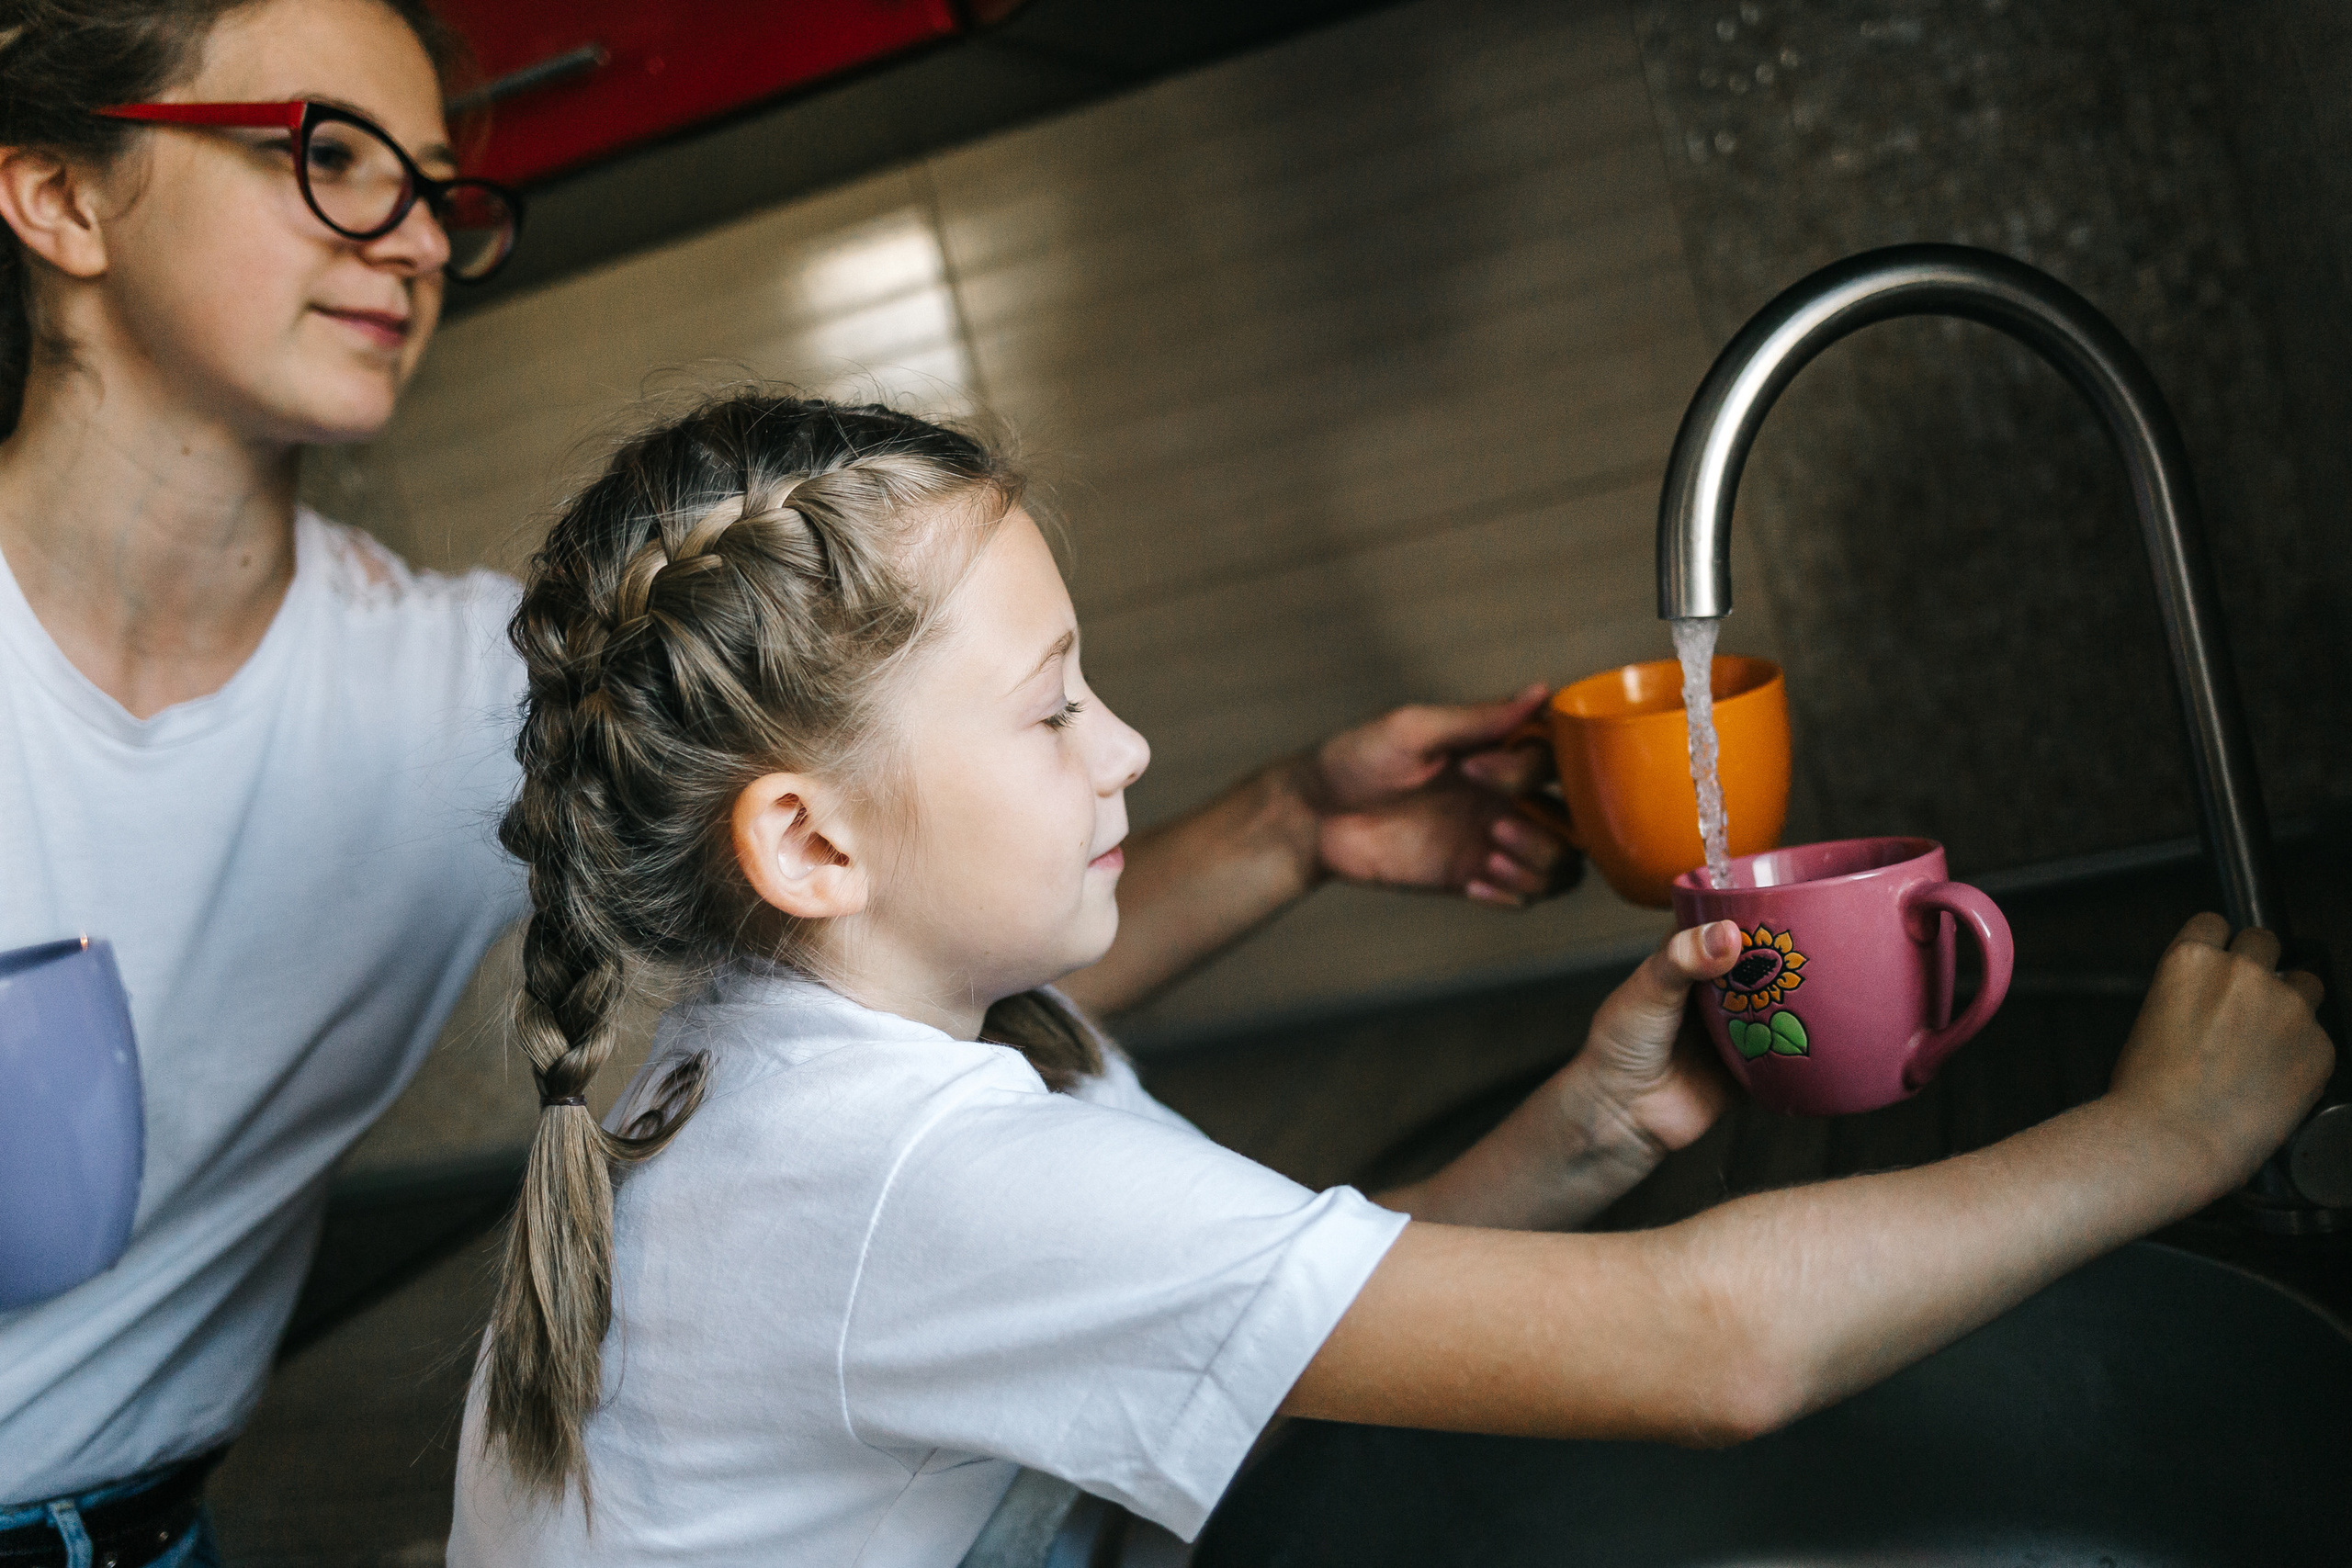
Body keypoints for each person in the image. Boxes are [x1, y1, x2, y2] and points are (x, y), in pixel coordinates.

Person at [0, 4, 1575, 1559]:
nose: (413, 238)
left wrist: (1295, 822)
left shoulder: (470, 689)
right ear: (58, 195)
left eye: (439, 186)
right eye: (329, 157)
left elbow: (899, 946)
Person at [446, 391, 2331, 1565]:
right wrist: (2161, 1135)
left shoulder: (781, 1064)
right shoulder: (910, 1177)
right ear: (810, 845)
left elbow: (1262, 1336)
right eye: (1050, 709)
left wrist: (1582, 1128)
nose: (1125, 744)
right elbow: (1712, 1348)